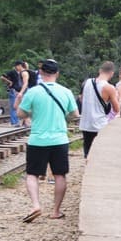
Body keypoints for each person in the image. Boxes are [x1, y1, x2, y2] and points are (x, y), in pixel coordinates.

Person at [18, 59, 79, 222]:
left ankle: (36, 205)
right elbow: (74, 114)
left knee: (32, 174)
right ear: (57, 73)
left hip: (37, 139)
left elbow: (20, 114)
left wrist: (32, 113)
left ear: (41, 73)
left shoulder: (33, 92)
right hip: (59, 139)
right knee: (60, 175)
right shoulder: (66, 92)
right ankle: (56, 211)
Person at [79, 61, 121, 159]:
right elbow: (116, 109)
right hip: (99, 125)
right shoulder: (109, 88)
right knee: (99, 156)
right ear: (112, 73)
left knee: (87, 153)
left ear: (100, 70)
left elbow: (81, 99)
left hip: (86, 124)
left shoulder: (87, 82)